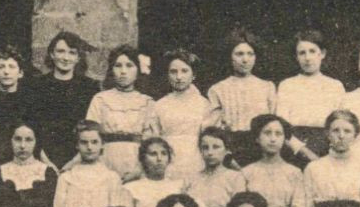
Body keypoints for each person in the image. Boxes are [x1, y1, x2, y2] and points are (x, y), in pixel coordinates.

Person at [205, 27, 276, 168]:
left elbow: (273, 123)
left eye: (250, 54)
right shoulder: (218, 89)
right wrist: (227, 157)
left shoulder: (267, 87)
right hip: (232, 151)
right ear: (230, 56)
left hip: (261, 150)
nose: (245, 59)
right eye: (239, 54)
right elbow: (213, 130)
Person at [240, 116, 309, 207]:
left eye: (278, 134)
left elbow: (300, 206)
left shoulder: (294, 173)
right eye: (267, 133)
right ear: (257, 138)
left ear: (285, 139)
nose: (273, 139)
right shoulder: (247, 172)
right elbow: (241, 205)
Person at [83, 45, 158, 180]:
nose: (123, 71)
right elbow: (90, 134)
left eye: (129, 66)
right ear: (112, 70)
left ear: (138, 71)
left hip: (136, 161)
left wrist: (139, 169)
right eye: (118, 66)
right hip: (105, 160)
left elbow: (150, 141)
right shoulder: (100, 99)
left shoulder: (147, 102)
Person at [29, 31, 102, 169]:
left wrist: (75, 161)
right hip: (43, 157)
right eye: (61, 51)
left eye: (72, 53)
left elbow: (92, 126)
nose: (65, 58)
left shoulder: (89, 88)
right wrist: (45, 161)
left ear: (78, 57)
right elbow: (32, 125)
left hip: (80, 157)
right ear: (52, 54)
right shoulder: (37, 86)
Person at [274, 29, 345, 163]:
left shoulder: (335, 86)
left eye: (312, 51)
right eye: (302, 53)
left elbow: (339, 125)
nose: (307, 58)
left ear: (322, 53)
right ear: (296, 57)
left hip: (327, 151)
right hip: (293, 150)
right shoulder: (287, 85)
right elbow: (282, 128)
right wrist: (304, 152)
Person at [154, 49, 211, 182]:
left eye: (184, 71)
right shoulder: (159, 105)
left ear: (193, 75)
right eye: (173, 72)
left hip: (196, 161)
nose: (179, 77)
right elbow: (154, 139)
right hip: (168, 163)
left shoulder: (204, 104)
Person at [124, 137, 185, 207]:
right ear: (143, 159)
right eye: (153, 154)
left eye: (164, 154)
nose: (159, 159)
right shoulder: (131, 188)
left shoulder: (178, 187)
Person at [185, 127, 245, 207]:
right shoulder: (192, 178)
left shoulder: (235, 178)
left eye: (216, 147)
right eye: (205, 148)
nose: (210, 152)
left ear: (227, 150)